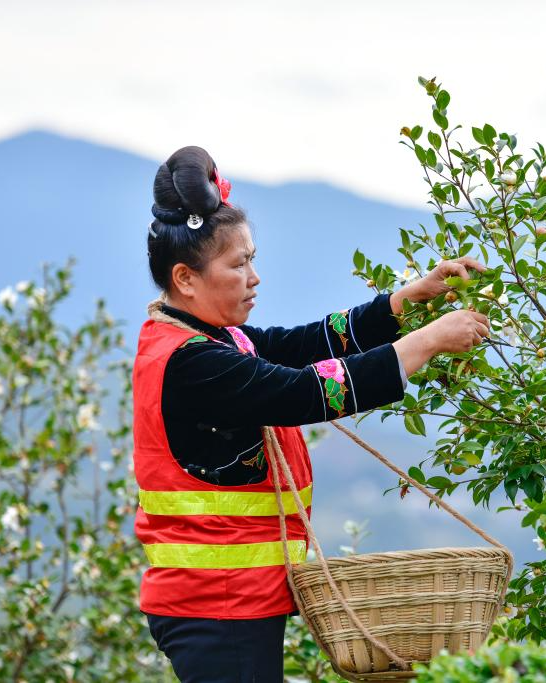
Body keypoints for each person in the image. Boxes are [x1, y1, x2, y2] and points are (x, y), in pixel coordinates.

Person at [133, 145, 491, 682]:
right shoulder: (191, 363)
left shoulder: (213, 339)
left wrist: (406, 303)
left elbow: (302, 344)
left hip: (237, 602)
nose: (255, 278)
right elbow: (308, 392)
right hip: (216, 607)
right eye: (239, 264)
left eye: (252, 259)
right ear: (185, 278)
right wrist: (430, 341)